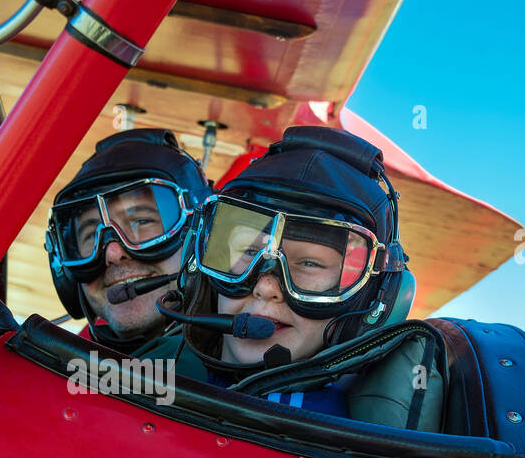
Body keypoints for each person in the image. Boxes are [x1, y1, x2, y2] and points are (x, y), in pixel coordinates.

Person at [167, 125, 446, 430]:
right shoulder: (138, 375)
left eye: (310, 263)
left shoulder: (354, 454)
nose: (265, 286)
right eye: (248, 251)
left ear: (374, 302)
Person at [46, 128, 209, 358]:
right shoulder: (60, 372)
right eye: (91, 234)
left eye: (142, 221)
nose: (113, 252)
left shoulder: (249, 368)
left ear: (204, 235)